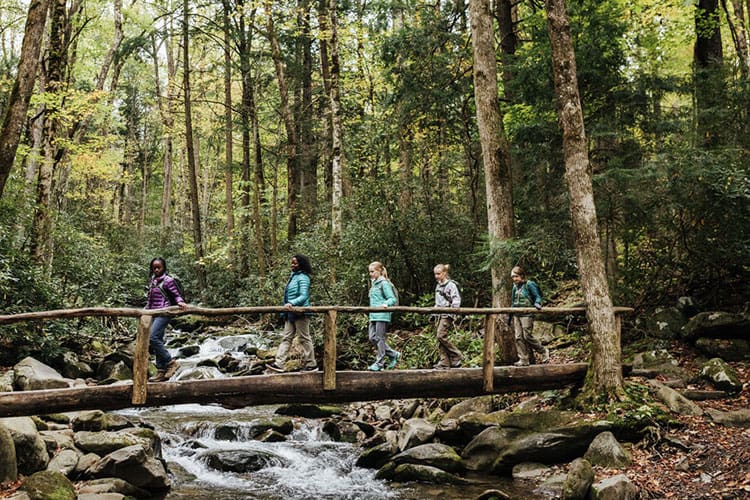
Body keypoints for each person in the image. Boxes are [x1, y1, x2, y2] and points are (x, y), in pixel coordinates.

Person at [267, 254, 318, 373]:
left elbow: (304, 296)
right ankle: (279, 363)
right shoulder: (293, 276)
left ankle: (311, 364)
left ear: (301, 264)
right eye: (292, 263)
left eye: (295, 263)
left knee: (304, 338)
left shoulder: (304, 278)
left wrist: (291, 303)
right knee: (286, 338)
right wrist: (288, 306)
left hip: (301, 312)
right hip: (290, 313)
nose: (292, 265)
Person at [146, 257, 188, 382]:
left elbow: (176, 295)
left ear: (164, 267)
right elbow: (150, 299)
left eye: (159, 267)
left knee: (153, 338)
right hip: (153, 312)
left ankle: (171, 362)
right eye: (154, 268)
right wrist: (145, 311)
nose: (157, 269)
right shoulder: (152, 280)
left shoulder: (168, 280)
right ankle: (161, 371)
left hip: (165, 312)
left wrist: (180, 302)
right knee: (157, 339)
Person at [510, 265, 549, 366]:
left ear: (522, 276)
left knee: (527, 336)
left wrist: (538, 304)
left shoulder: (529, 284)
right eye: (513, 277)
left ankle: (543, 351)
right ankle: (523, 359)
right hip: (516, 314)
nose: (514, 279)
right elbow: (513, 301)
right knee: (518, 337)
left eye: (516, 276)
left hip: (527, 314)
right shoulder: (514, 287)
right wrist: (510, 315)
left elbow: (537, 296)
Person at [367, 261, 400, 371]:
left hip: (382, 314)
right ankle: (393, 354)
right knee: (372, 338)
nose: (370, 274)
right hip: (373, 315)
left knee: (380, 339)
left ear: (379, 271)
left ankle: (379, 363)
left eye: (372, 271)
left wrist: (386, 304)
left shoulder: (384, 283)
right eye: (369, 272)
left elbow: (392, 298)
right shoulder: (374, 284)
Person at [432, 264, 463, 369]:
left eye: (438, 274)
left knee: (440, 335)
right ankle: (444, 361)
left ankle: (457, 355)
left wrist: (452, 312)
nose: (436, 276)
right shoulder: (438, 285)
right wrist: (433, 314)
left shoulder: (451, 285)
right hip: (439, 314)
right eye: (435, 274)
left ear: (444, 273)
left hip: (447, 314)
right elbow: (437, 302)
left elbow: (456, 299)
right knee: (440, 338)